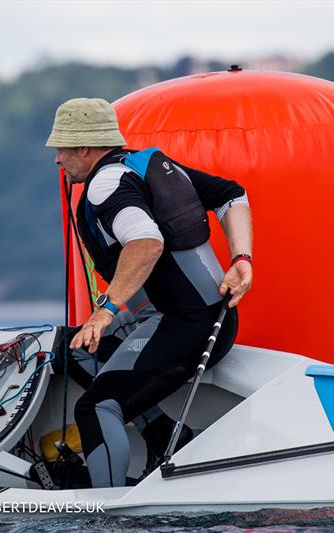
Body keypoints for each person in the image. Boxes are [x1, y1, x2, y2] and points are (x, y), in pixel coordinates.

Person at [46, 98, 253, 488]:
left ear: (85, 148)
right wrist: (243, 258)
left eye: (62, 149)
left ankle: (108, 514)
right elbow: (232, 193)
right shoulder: (148, 165)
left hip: (186, 329)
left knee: (95, 408)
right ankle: (165, 437)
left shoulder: (104, 184)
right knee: (72, 349)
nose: (58, 160)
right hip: (207, 321)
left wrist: (105, 311)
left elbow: (146, 241)